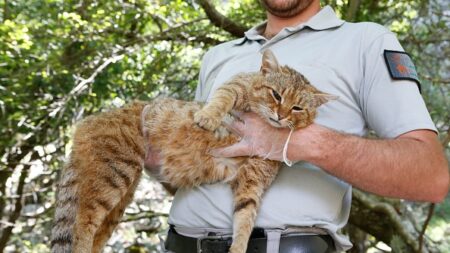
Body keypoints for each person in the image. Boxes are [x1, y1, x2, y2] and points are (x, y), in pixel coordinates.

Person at [146, 0, 449, 252]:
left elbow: (431, 176)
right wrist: (158, 163)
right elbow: (199, 174)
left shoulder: (366, 41)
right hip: (178, 243)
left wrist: (294, 142)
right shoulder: (218, 55)